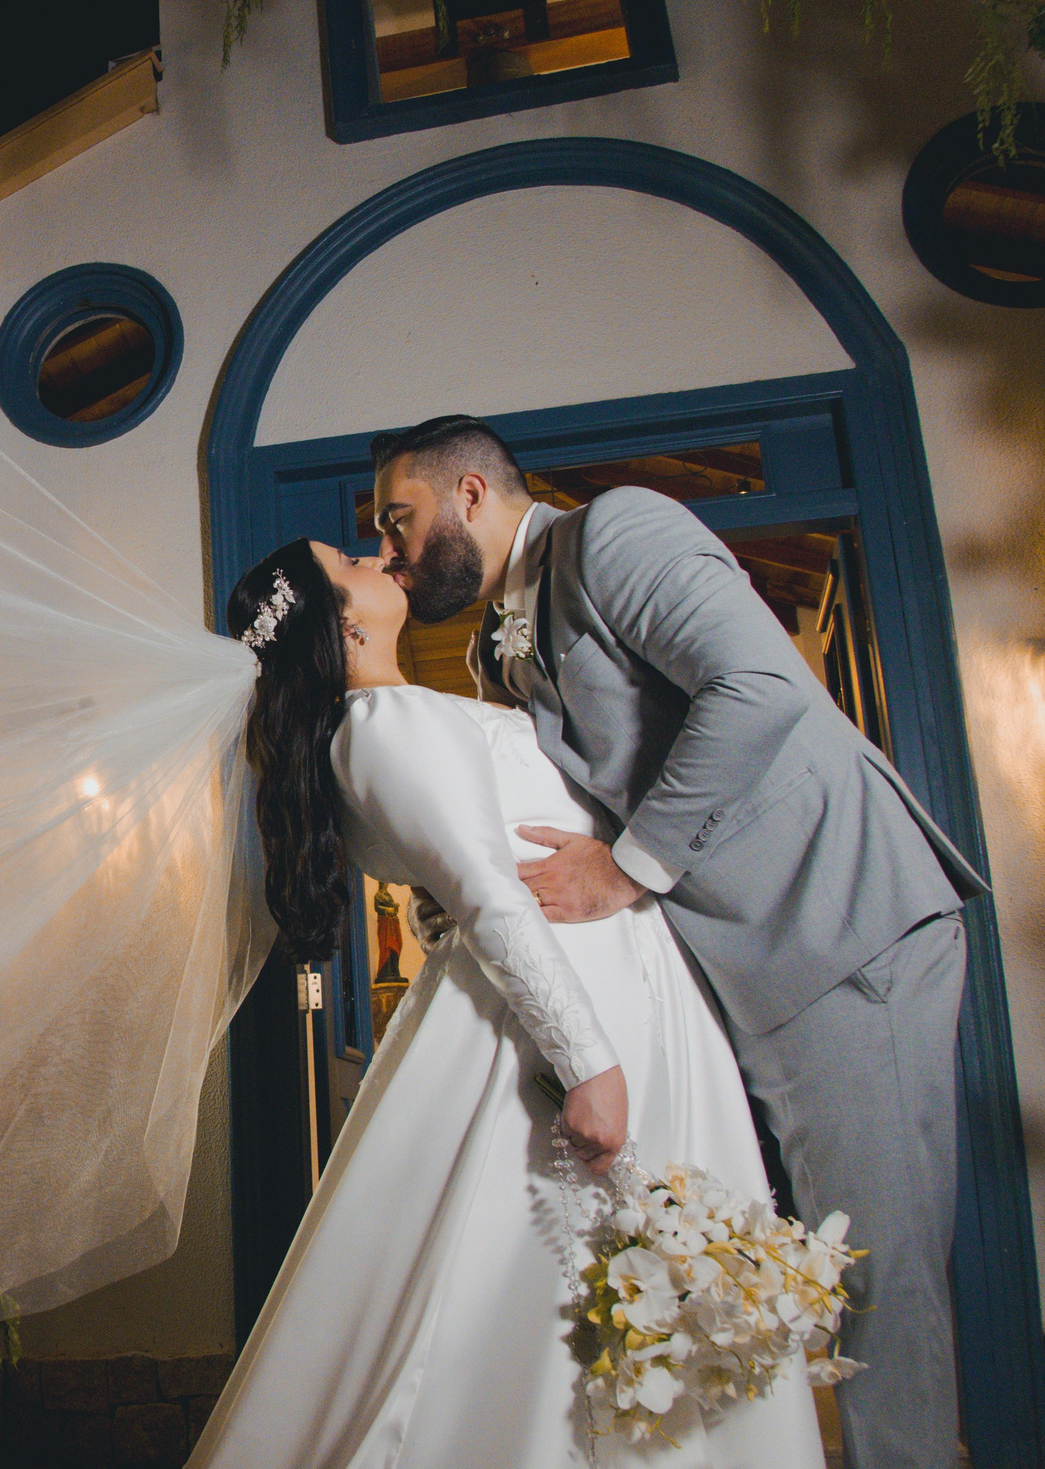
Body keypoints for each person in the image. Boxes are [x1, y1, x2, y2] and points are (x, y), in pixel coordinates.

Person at [368, 415, 988, 1469]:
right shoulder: (493, 643)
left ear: (469, 494)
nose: (390, 549)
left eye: (400, 517)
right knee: (781, 1268)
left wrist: (620, 867)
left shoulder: (618, 531)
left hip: (838, 926)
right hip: (731, 970)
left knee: (880, 1278)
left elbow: (759, 690)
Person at [186, 538, 824, 1469]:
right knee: (540, 1300)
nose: (375, 552)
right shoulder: (380, 725)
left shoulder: (387, 720)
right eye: (348, 559)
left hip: (608, 982)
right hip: (566, 1015)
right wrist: (588, 1062)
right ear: (343, 620)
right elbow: (484, 893)